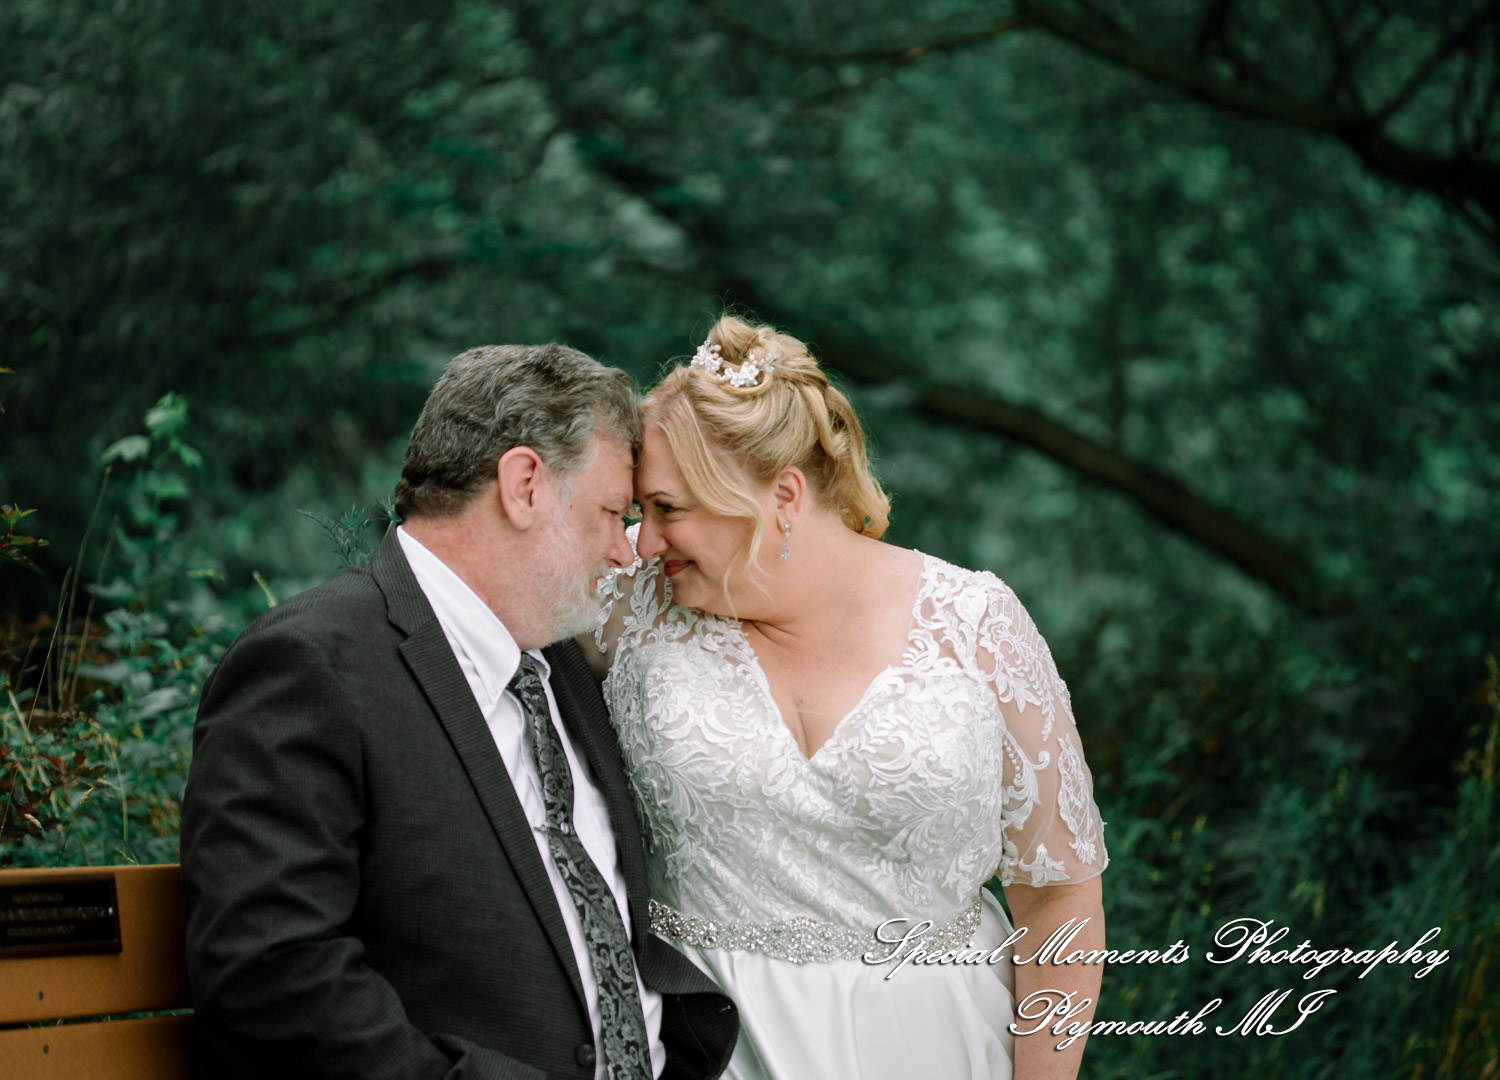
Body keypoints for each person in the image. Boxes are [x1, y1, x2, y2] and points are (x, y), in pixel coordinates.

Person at [180, 344, 738, 1080]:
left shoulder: (561, 667)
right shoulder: (312, 666)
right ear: (524, 485)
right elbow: (269, 974)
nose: (623, 553)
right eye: (610, 514)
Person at [587, 317, 1109, 1080]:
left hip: (945, 1046)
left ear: (784, 496)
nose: (645, 542)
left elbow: (1058, 897)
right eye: (640, 513)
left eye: (669, 509)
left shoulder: (977, 626)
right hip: (705, 1046)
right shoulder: (623, 611)